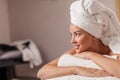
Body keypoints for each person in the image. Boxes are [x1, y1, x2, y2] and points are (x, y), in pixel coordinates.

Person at [37, 0, 120, 79]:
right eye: (71, 35)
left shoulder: (114, 48)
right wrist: (77, 70)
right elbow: (42, 72)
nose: (72, 41)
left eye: (77, 34)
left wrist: (90, 55)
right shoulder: (77, 50)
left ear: (94, 35)